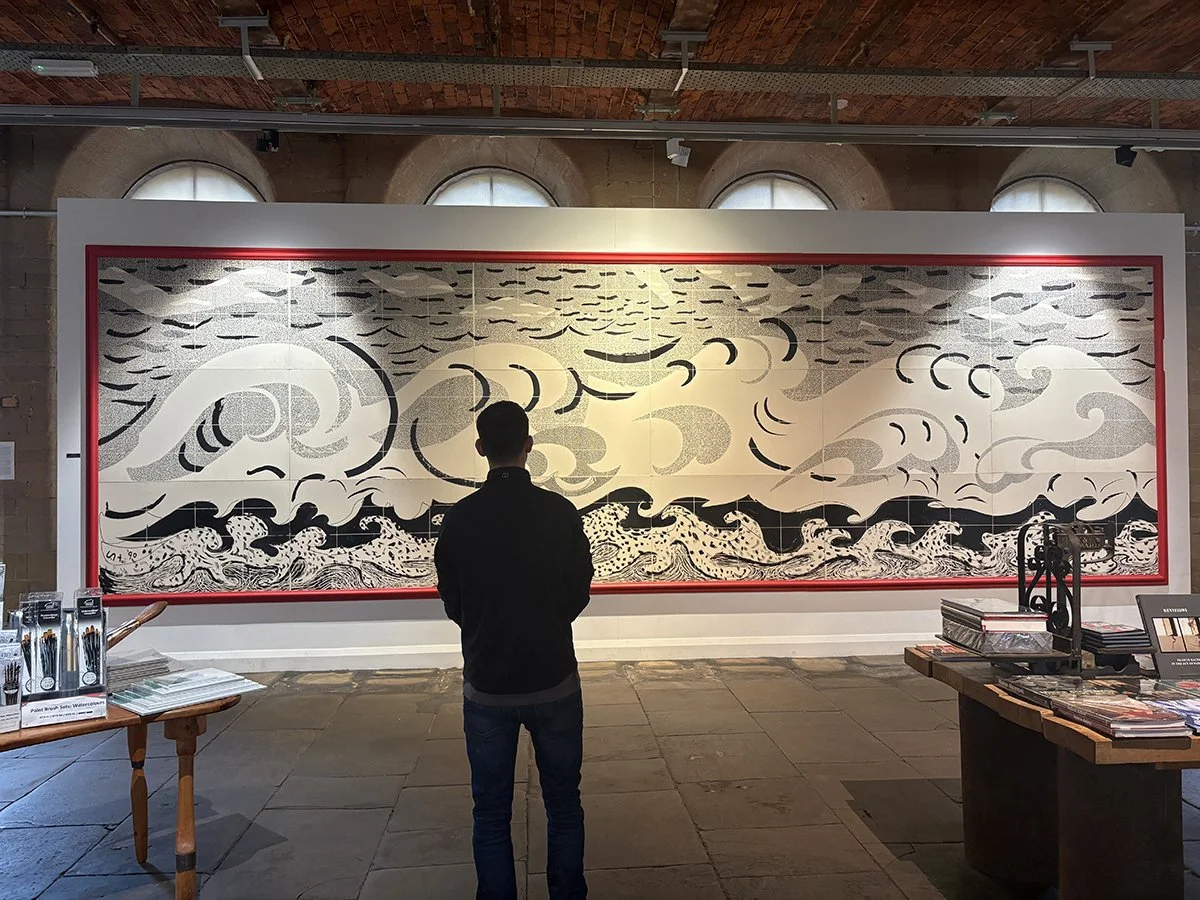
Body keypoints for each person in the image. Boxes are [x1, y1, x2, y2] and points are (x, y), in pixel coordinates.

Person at [435, 400, 594, 900]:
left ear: (481, 447)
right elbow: (579, 590)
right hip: (554, 679)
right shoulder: (559, 513)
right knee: (564, 806)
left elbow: (452, 598)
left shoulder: (460, 519)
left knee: (490, 813)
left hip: (487, 684)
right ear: (529, 445)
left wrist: (485, 627)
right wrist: (547, 623)